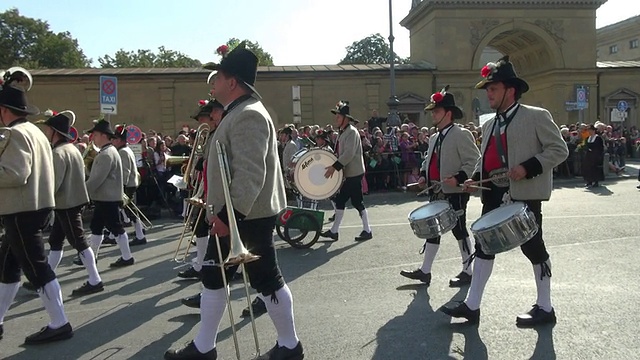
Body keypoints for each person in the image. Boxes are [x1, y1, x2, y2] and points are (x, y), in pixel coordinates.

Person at [165, 43, 303, 360]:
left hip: (247, 215)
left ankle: (290, 346)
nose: (212, 84)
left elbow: (250, 174)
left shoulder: (248, 115)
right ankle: (204, 347)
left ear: (232, 82)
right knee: (213, 276)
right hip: (235, 214)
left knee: (267, 278)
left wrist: (228, 216)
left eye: (218, 77)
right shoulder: (237, 113)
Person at [441, 55, 569, 326]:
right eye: (487, 89)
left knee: (533, 248)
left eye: (493, 88)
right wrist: (474, 178)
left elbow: (559, 150)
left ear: (510, 90)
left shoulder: (536, 116)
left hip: (525, 194)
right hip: (494, 195)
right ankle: (471, 306)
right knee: (484, 246)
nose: (488, 93)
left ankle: (545, 307)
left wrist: (529, 167)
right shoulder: (489, 124)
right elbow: (483, 158)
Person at [0, 73, 73, 343]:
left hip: (22, 209)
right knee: (7, 267)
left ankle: (60, 322)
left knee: (36, 267)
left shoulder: (14, 133)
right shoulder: (35, 132)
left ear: (4, 110)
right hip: (35, 206)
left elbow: (16, 173)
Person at [400, 86, 480, 287]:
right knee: (431, 230)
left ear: (448, 113)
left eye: (436, 111)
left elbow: (473, 161)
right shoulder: (435, 137)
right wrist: (424, 176)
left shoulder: (461, 134)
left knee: (459, 230)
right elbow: (429, 160)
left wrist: (459, 178)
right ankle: (425, 271)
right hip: (436, 190)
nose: (433, 114)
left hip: (455, 192)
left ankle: (468, 271)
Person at [37, 110, 104, 295]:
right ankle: (46, 275)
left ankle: (94, 279)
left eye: (47, 129)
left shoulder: (58, 153)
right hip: (70, 201)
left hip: (66, 203)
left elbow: (54, 183)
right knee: (56, 240)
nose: (45, 133)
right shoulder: (72, 149)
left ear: (54, 131)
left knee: (79, 241)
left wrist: (41, 202)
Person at [319, 101, 373, 242]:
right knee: (354, 202)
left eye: (338, 117)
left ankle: (337, 231)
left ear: (346, 118)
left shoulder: (351, 132)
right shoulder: (344, 132)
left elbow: (348, 154)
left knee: (344, 200)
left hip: (354, 173)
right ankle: (364, 230)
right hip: (350, 172)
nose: (335, 119)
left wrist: (334, 167)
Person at [85, 119, 135, 268]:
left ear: (103, 135)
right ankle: (92, 256)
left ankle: (127, 257)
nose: (93, 137)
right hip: (105, 197)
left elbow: (96, 180)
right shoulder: (108, 152)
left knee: (116, 227)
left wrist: (82, 192)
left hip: (108, 198)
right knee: (97, 227)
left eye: (95, 134)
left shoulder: (107, 154)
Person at [111, 124, 147, 246]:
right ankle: (139, 233)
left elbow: (124, 171)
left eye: (114, 139)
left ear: (120, 140)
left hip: (127, 185)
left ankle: (140, 235)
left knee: (129, 210)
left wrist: (121, 186)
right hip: (130, 183)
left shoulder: (123, 152)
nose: (112, 141)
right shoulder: (125, 150)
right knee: (130, 210)